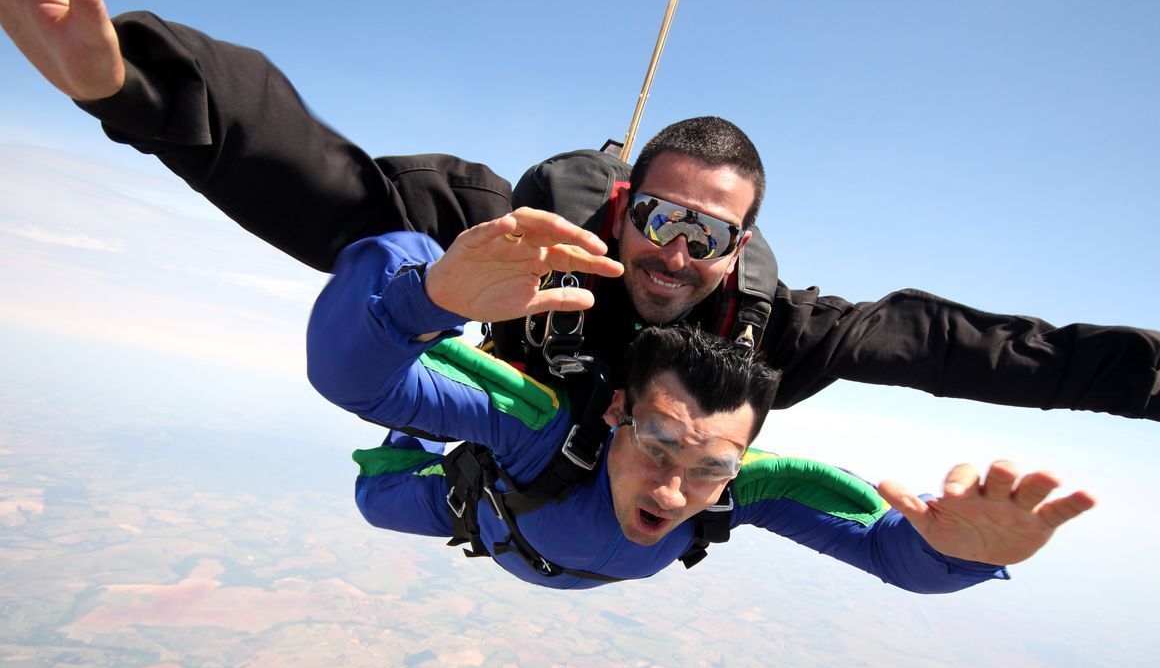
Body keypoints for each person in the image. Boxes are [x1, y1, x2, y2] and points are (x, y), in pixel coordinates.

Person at [3, 0, 1160, 435]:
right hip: (530, 446)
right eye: (661, 217)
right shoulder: (519, 231)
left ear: (740, 248)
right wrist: (130, 86)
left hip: (644, 480)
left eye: (710, 235)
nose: (676, 253)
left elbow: (962, 350)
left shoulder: (771, 332)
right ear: (623, 202)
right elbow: (325, 182)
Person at [305, 210, 1096, 589]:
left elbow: (888, 552)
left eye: (714, 465)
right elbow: (350, 379)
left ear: (742, 458)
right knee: (375, 494)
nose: (675, 489)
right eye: (657, 444)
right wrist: (427, 292)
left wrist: (964, 557)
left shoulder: (748, 489)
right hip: (474, 508)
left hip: (516, 533)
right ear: (615, 415)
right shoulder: (536, 428)